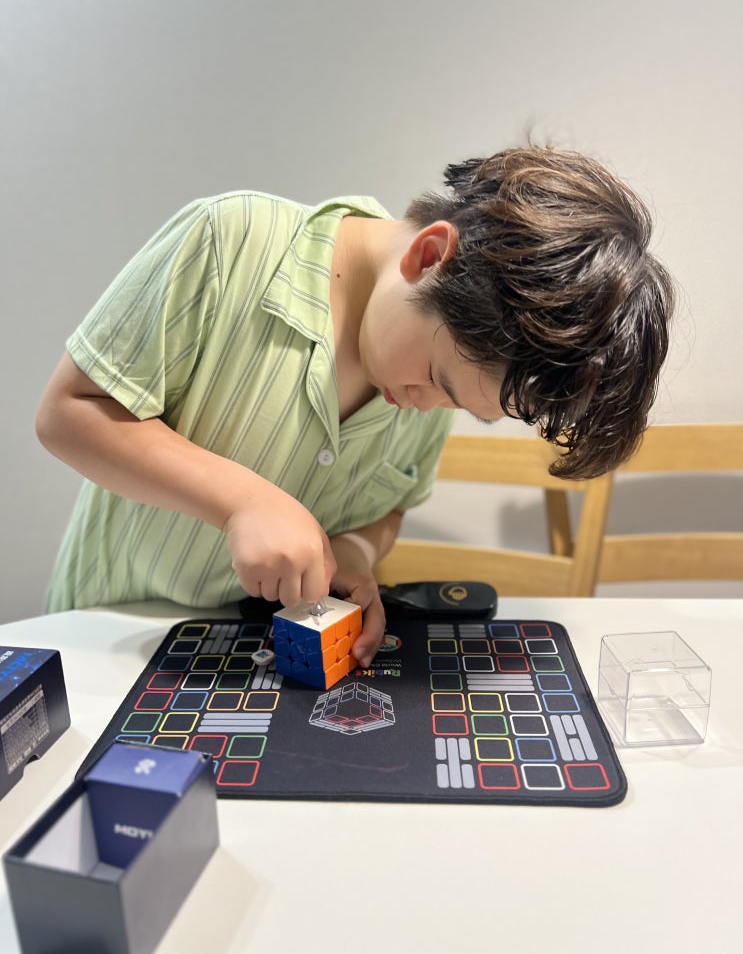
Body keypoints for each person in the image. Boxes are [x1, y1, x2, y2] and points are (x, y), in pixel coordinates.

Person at [36, 144, 676, 665]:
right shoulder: (229, 243)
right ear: (428, 257)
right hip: (111, 637)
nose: (426, 407)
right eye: (438, 379)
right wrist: (243, 502)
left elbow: (391, 506)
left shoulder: (425, 393)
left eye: (463, 407)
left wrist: (356, 551)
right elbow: (69, 412)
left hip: (264, 662)